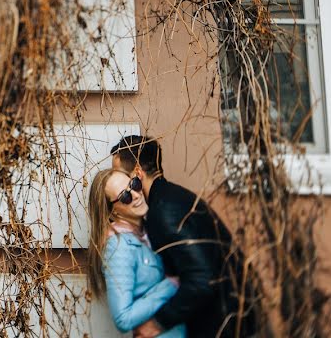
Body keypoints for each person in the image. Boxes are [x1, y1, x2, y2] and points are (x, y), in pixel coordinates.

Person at [110, 135, 258, 338]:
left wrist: (157, 323)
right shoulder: (175, 197)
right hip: (233, 315)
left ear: (137, 173)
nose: (119, 182)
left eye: (120, 174)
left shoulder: (163, 213)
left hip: (222, 324)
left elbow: (202, 280)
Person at [87, 168, 186, 337]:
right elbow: (123, 318)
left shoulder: (146, 230)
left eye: (134, 184)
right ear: (113, 212)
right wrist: (171, 284)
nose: (136, 195)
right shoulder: (118, 247)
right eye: (125, 197)